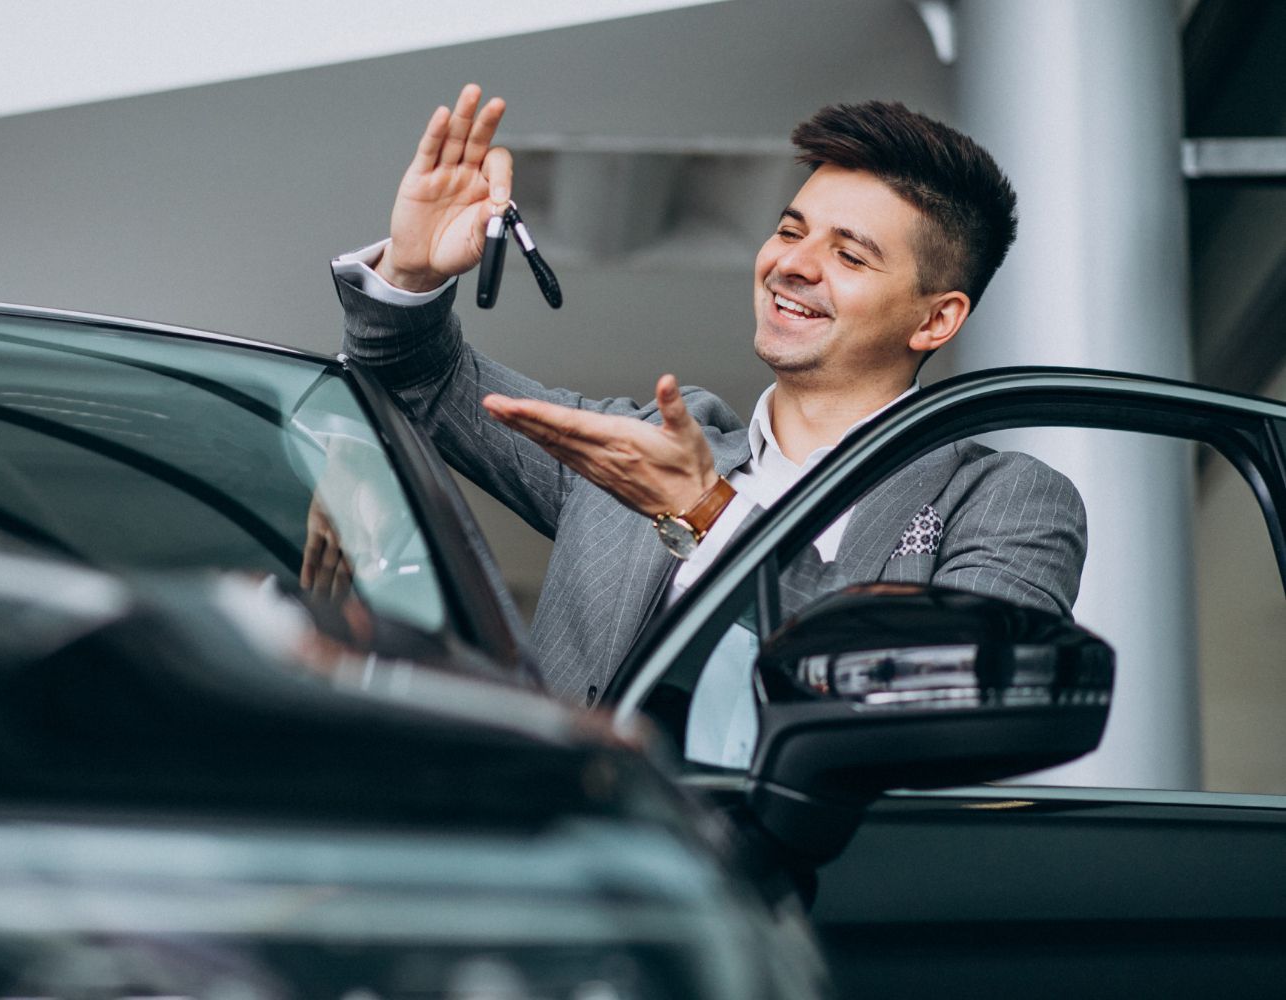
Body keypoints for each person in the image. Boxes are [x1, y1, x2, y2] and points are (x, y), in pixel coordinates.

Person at [328, 84, 1086, 713]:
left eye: (849, 254)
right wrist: (413, 274)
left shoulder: (1004, 499)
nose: (794, 264)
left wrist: (708, 515)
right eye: (791, 231)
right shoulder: (636, 452)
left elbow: (968, 700)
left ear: (937, 318)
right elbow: (427, 379)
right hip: (573, 865)